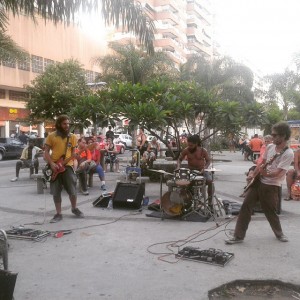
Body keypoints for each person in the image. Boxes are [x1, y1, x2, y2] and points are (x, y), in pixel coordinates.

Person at [225, 121, 294, 244]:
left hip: (272, 185)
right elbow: (262, 163)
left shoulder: (288, 153)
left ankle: (279, 234)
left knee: (270, 211)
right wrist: (253, 174)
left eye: (275, 135)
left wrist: (264, 173)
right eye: (272, 135)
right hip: (259, 181)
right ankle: (238, 236)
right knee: (246, 206)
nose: (272, 138)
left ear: (283, 136)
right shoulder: (270, 147)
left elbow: (278, 173)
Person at [44, 114, 84, 223]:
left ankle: (74, 208)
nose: (67, 126)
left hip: (68, 165)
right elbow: (46, 152)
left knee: (72, 189)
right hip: (55, 167)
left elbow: (74, 152)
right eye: (64, 124)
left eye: (68, 124)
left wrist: (76, 157)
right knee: (56, 191)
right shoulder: (51, 136)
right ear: (59, 124)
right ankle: (58, 213)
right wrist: (51, 163)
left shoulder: (72, 137)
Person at [177, 134, 213, 202]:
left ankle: (210, 202)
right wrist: (178, 167)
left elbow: (208, 161)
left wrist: (204, 168)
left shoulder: (203, 150)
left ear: (196, 144)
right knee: (185, 183)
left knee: (210, 181)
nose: (189, 147)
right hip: (191, 171)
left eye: (191, 145)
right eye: (188, 145)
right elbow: (179, 159)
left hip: (202, 170)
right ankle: (188, 200)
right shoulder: (186, 150)